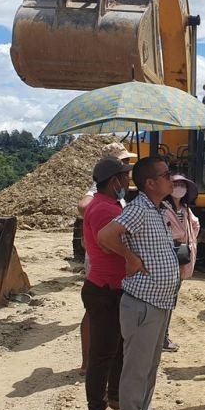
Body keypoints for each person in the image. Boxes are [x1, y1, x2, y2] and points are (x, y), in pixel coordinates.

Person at [97, 156, 179, 410]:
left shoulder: (156, 210)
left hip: (157, 303)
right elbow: (105, 237)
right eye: (167, 174)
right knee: (135, 373)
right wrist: (129, 257)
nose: (173, 179)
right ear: (150, 183)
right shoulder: (138, 210)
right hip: (143, 304)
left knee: (148, 369)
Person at [77, 141, 136, 374]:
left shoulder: (112, 195)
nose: (127, 169)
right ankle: (88, 363)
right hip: (101, 265)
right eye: (123, 164)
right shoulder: (99, 193)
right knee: (96, 315)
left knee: (107, 322)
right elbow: (84, 207)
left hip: (110, 265)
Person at [81, 156, 131, 410]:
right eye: (124, 177)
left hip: (111, 286)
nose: (127, 181)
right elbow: (111, 243)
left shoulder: (109, 204)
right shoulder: (104, 210)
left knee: (116, 347)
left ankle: (113, 397)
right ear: (114, 182)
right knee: (102, 352)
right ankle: (97, 408)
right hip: (105, 288)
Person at [160, 173, 201, 352]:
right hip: (168, 257)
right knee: (165, 298)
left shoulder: (185, 210)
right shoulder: (163, 208)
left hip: (181, 258)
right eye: (176, 184)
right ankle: (162, 337)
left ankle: (163, 336)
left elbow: (195, 225)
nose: (179, 188)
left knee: (172, 298)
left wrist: (188, 240)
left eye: (182, 185)